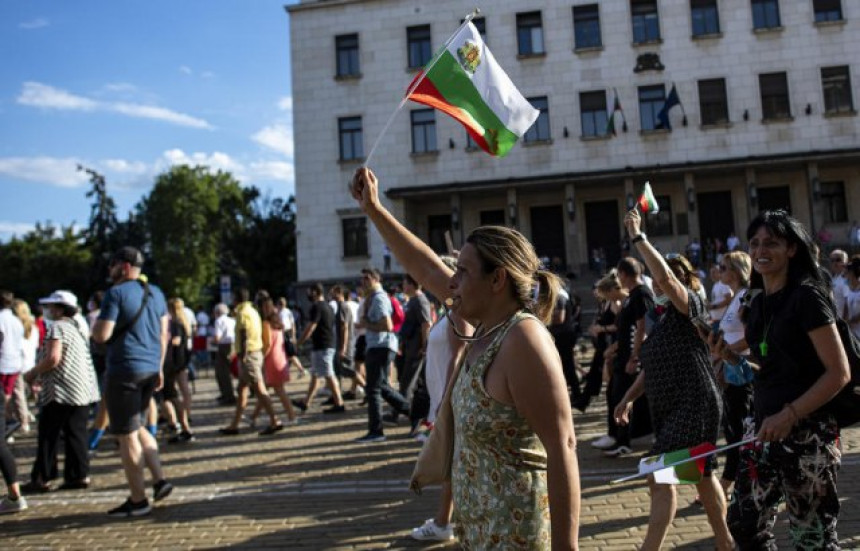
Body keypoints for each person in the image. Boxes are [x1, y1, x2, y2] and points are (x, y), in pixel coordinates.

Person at [351, 167, 580, 549]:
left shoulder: (522, 338)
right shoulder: (486, 323)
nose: (451, 281)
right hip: (480, 533)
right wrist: (373, 209)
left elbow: (564, 446)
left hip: (516, 536)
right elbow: (424, 266)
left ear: (497, 280)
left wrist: (566, 546)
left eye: (462, 271)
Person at [707, 209, 850, 549]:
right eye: (754, 243)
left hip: (807, 436)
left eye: (771, 242)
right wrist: (730, 358)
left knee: (811, 538)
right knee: (743, 525)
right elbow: (768, 369)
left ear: (792, 249)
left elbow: (838, 372)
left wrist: (790, 414)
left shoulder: (808, 297)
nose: (760, 250)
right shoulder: (757, 304)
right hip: (761, 429)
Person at [613, 210, 732, 550]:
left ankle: (650, 548)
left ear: (689, 280)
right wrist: (629, 398)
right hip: (673, 405)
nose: (667, 280)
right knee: (704, 477)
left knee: (658, 473)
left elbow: (665, 280)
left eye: (677, 274)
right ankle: (725, 543)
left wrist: (639, 237)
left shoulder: (690, 305)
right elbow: (652, 367)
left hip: (694, 403)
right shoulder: (661, 319)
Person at [91, 247, 173, 517]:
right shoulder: (157, 293)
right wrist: (159, 367)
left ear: (124, 267)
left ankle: (138, 500)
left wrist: (94, 329)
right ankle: (160, 480)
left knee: (125, 436)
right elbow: (164, 334)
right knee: (137, 427)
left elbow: (102, 335)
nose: (109, 269)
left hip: (125, 369)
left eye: (113, 263)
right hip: (150, 368)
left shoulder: (115, 294)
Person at [409, 255, 469, 542]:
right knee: (455, 459)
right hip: (442, 394)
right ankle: (449, 520)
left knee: (453, 459)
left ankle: (444, 521)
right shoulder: (448, 307)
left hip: (450, 394)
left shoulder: (458, 308)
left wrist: (446, 398)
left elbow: (458, 353)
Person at [22, 291, 100, 493]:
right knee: (76, 433)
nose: (48, 310)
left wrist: (33, 372)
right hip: (81, 389)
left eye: (51, 307)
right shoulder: (76, 326)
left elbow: (53, 358)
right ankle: (79, 475)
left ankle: (42, 477)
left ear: (59, 309)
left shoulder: (56, 327)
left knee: (49, 434)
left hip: (60, 390)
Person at [602, 257, 653, 457]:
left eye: (619, 275)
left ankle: (625, 440)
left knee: (624, 396)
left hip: (632, 358)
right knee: (618, 395)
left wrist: (635, 356)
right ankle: (622, 438)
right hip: (624, 355)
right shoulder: (632, 295)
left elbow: (642, 327)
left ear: (624, 274)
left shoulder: (641, 294)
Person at [714, 251, 754, 498]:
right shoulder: (735, 296)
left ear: (737, 270)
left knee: (737, 429)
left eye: (724, 266)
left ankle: (730, 483)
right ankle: (735, 481)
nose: (720, 270)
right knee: (732, 427)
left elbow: (751, 336)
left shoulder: (746, 297)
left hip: (741, 369)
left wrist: (725, 351)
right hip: (728, 368)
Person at [354, 267, 410, 443]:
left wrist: (366, 324)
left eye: (365, 279)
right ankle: (415, 412)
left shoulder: (379, 298)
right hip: (378, 346)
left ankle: (376, 431)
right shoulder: (374, 298)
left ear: (373, 279)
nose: (362, 283)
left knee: (374, 389)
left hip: (380, 346)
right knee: (382, 387)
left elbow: (386, 325)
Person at [219, 288, 283, 436]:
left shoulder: (242, 313)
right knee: (242, 389)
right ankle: (234, 425)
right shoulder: (253, 311)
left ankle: (275, 420)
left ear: (236, 299)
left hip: (249, 355)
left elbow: (244, 334)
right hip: (254, 353)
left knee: (259, 389)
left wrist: (242, 356)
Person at [291, 283, 346, 414]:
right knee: (315, 375)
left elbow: (311, 327)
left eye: (309, 291)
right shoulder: (328, 306)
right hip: (325, 345)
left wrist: (298, 343)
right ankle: (306, 402)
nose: (308, 294)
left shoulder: (317, 307)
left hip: (323, 346)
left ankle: (339, 403)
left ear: (315, 292)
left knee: (328, 374)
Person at [249, 296, 298, 426]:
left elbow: (268, 344)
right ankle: (253, 417)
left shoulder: (266, 323)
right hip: (280, 358)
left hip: (271, 360)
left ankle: (292, 416)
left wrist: (262, 358)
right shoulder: (277, 322)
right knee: (266, 389)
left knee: (276, 390)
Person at [577, 275, 620, 415]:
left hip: (610, 345)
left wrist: (601, 329)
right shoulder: (603, 303)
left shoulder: (614, 303)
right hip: (602, 344)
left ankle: (584, 401)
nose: (595, 293)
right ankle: (584, 401)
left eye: (597, 290)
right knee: (596, 373)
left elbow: (619, 326)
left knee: (603, 376)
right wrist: (594, 327)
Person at [164, 298, 194, 444]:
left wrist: (164, 341)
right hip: (181, 362)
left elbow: (175, 341)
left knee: (172, 396)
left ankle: (179, 423)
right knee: (182, 393)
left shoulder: (175, 324)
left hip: (173, 363)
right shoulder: (184, 323)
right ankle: (182, 421)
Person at [0, 291, 25, 434]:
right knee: (8, 394)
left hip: (3, 362)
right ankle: (9, 422)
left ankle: (6, 422)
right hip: (15, 362)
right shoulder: (16, 320)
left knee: (4, 396)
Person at [12, 300, 37, 435]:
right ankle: (26, 415)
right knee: (22, 394)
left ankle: (23, 422)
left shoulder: (15, 326)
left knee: (17, 395)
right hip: (30, 364)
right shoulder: (33, 327)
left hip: (19, 364)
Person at [211, 303, 236, 405]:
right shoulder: (232, 320)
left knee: (222, 373)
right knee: (230, 371)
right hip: (233, 345)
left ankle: (228, 395)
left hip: (224, 346)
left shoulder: (218, 321)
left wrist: (212, 341)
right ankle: (228, 393)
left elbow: (217, 337)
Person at [846, 257, 860, 339]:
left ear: (852, 273)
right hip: (853, 333)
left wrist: (848, 322)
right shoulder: (849, 288)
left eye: (848, 271)